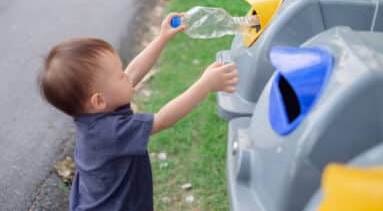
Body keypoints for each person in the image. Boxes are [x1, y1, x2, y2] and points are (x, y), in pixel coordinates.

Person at [37, 13, 238, 211]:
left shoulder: (99, 108)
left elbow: (132, 73)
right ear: (98, 100)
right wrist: (205, 85)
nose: (126, 75)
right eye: (119, 75)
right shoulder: (108, 132)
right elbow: (162, 121)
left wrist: (162, 38)